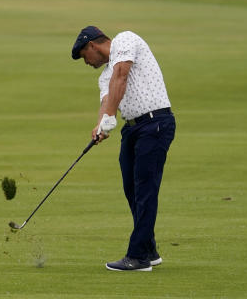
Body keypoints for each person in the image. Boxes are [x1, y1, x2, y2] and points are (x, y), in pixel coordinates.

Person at [72, 25, 175, 272]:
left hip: (154, 123)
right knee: (132, 189)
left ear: (92, 45)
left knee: (145, 190)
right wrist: (100, 126)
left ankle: (138, 256)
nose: (86, 62)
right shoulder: (103, 76)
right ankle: (149, 250)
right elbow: (108, 101)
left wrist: (109, 116)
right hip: (132, 130)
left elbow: (122, 76)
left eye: (84, 56)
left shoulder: (125, 40)